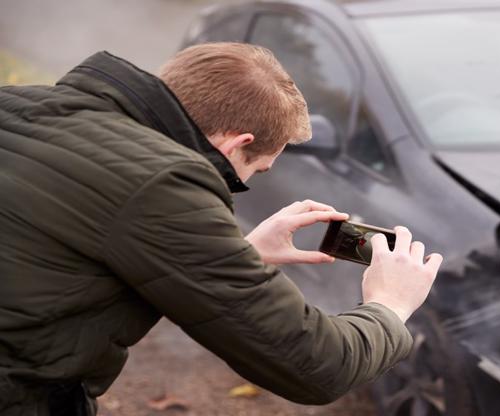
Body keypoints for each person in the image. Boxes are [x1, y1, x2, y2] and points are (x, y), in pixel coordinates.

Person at [0, 42, 442, 415]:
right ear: (237, 143)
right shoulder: (163, 185)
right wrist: (389, 305)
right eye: (255, 172)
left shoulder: (17, 105)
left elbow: (70, 247)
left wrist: (239, 252)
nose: (244, 185)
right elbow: (317, 366)